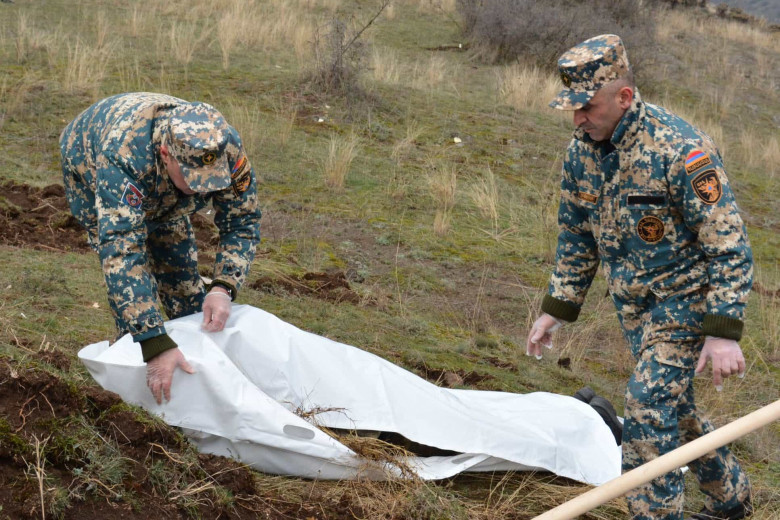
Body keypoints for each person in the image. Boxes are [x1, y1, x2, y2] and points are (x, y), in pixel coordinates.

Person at [525, 35, 753, 520]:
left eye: (587, 106)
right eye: (573, 108)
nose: (578, 119)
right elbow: (576, 234)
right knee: (675, 407)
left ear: (624, 97)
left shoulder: (682, 150)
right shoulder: (582, 152)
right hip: (635, 308)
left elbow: (729, 244)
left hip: (687, 300)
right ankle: (731, 499)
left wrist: (722, 331)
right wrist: (556, 308)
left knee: (647, 406)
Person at [60, 92, 261, 405]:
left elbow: (242, 222)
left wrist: (223, 286)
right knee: (134, 301)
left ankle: (196, 381)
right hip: (87, 158)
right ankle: (134, 383)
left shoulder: (225, 147)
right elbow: (122, 250)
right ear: (167, 154)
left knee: (186, 289)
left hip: (160, 184)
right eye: (194, 178)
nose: (202, 189)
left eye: (211, 180)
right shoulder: (123, 157)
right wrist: (153, 342)